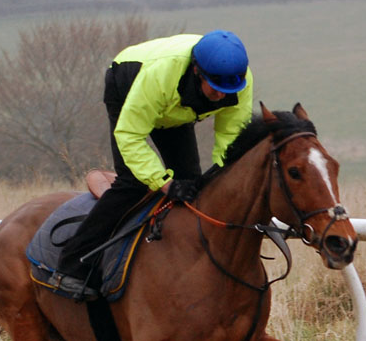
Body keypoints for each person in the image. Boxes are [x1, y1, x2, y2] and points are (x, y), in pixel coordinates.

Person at [52, 30, 254, 298]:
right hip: (129, 84)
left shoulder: (240, 81)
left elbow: (231, 137)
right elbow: (130, 136)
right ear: (197, 71)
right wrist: (164, 183)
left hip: (175, 111)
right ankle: (72, 265)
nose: (220, 95)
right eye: (215, 86)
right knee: (133, 183)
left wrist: (222, 179)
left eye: (227, 89)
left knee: (192, 185)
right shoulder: (160, 77)